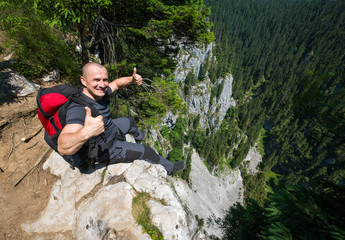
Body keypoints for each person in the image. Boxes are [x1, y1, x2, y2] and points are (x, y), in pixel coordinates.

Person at [57, 62, 185, 174]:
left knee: (130, 121)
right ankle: (170, 167)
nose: (102, 84)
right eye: (96, 80)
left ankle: (139, 138)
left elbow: (117, 84)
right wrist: (86, 132)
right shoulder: (79, 108)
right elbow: (63, 146)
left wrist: (132, 79)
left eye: (104, 80)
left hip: (110, 129)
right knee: (147, 151)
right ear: (83, 81)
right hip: (107, 148)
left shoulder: (99, 92)